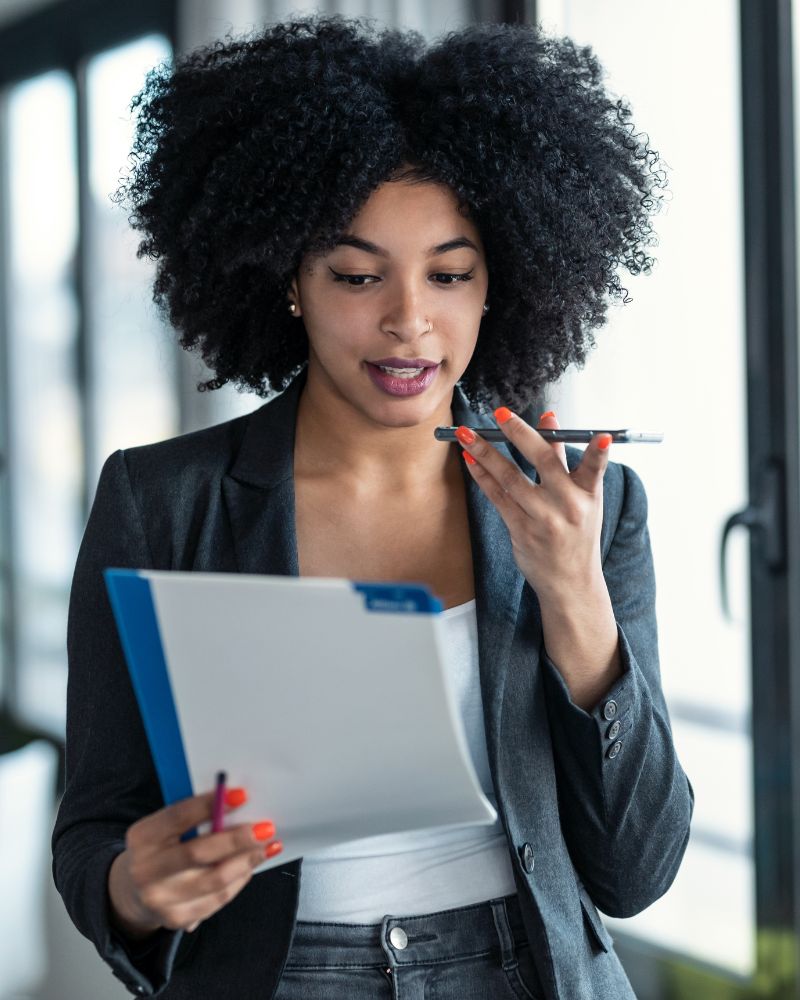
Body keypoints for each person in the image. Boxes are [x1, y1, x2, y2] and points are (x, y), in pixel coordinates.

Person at [52, 14, 693, 999]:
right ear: (293, 284)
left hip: (522, 968)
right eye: (356, 275)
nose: (406, 318)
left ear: (498, 285)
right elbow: (95, 828)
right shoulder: (161, 502)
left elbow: (634, 871)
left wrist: (574, 604)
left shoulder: (584, 509)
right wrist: (135, 885)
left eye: (449, 272)